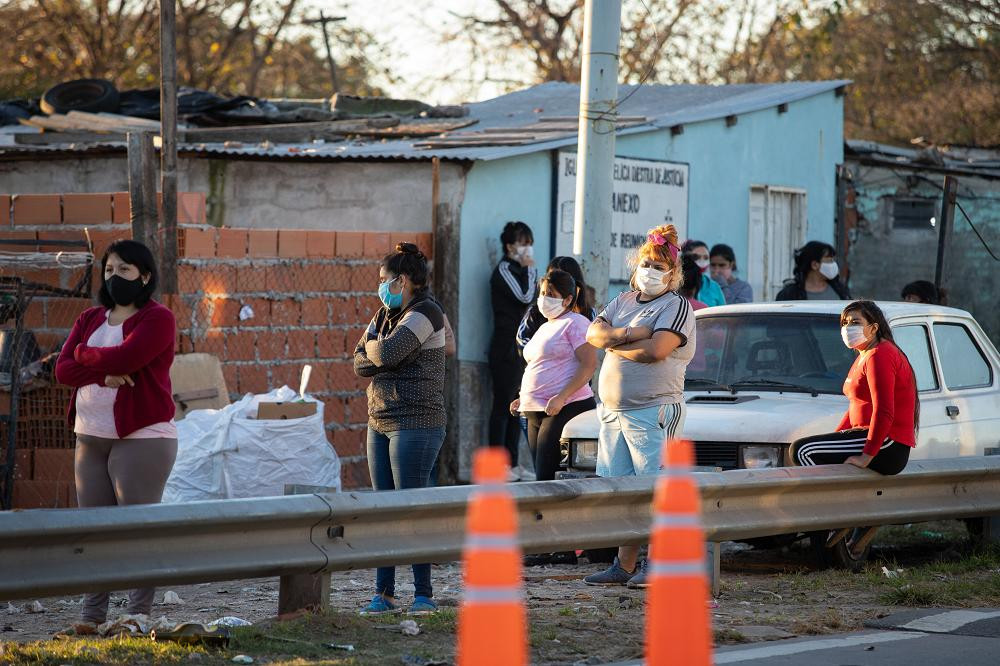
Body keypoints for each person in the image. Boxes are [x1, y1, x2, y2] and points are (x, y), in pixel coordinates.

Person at [53, 239, 177, 637]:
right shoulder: (89, 319)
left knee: (135, 529)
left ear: (144, 276)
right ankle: (92, 617)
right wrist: (101, 373)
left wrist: (84, 357)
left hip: (140, 438)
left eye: (124, 270)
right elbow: (60, 370)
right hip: (89, 436)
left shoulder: (158, 319)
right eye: (109, 270)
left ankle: (137, 615)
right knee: (96, 530)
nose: (114, 276)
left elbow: (127, 358)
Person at [583, 224, 697, 589]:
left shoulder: (676, 306)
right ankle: (625, 564)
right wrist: (630, 334)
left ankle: (659, 563)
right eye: (647, 263)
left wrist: (611, 342)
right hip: (615, 413)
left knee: (657, 492)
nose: (651, 272)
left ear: (673, 274)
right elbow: (592, 334)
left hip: (653, 411)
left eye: (660, 267)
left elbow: (656, 352)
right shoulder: (624, 301)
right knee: (627, 494)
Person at [354, 242, 447, 616]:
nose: (381, 287)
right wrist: (379, 349)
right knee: (385, 511)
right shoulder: (384, 315)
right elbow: (359, 364)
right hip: (379, 420)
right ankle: (384, 593)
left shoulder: (427, 312)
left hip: (416, 422)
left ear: (403, 280)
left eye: (384, 280)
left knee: (410, 510)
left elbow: (383, 355)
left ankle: (423, 593)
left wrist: (377, 349)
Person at [790, 301, 917, 476]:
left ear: (873, 328)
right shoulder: (864, 355)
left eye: (855, 322)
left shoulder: (880, 354)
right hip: (864, 437)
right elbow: (856, 406)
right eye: (845, 323)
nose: (848, 327)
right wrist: (835, 437)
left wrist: (867, 456)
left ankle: (829, 499)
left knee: (803, 450)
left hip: (887, 443)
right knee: (810, 449)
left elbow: (884, 410)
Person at [511, 269, 598, 482]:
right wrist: (522, 398)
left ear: (568, 299)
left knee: (545, 476)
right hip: (534, 409)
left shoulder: (575, 322)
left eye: (551, 294)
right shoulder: (545, 327)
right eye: (541, 293)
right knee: (542, 476)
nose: (543, 299)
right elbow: (539, 365)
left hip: (564, 406)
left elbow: (589, 365)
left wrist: (561, 397)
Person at [488, 221, 537, 479]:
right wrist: (530, 271)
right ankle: (497, 465)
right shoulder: (505, 269)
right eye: (522, 243)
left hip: (521, 348)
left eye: (529, 243)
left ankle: (513, 463)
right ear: (509, 246)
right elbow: (525, 296)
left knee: (517, 405)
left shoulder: (523, 270)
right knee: (501, 407)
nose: (527, 248)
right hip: (504, 347)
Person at [516, 255, 596, 355]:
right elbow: (522, 340)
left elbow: (589, 352)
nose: (552, 284)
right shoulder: (536, 311)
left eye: (560, 279)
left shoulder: (587, 314)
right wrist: (540, 354)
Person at [775, 241, 851, 301]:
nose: (834, 264)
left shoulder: (840, 290)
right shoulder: (789, 294)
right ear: (814, 265)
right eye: (829, 260)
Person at [681, 240, 725, 307]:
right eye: (697, 257)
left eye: (706, 257)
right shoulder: (676, 283)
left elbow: (723, 314)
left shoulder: (714, 287)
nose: (702, 261)